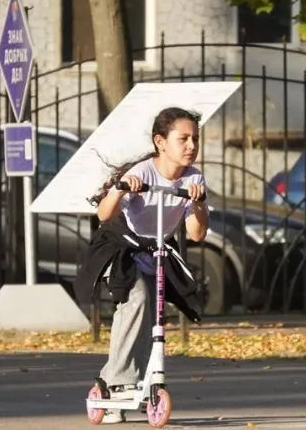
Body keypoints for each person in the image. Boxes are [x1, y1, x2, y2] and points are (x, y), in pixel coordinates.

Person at [74, 107, 209, 424]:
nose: (191, 145)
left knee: (153, 318)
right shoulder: (144, 172)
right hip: (121, 249)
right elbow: (104, 216)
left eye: (195, 139)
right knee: (136, 301)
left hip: (158, 251)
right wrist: (121, 187)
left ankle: (112, 381)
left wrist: (199, 203)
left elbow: (196, 233)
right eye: (183, 138)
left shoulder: (194, 178)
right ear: (161, 142)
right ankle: (118, 384)